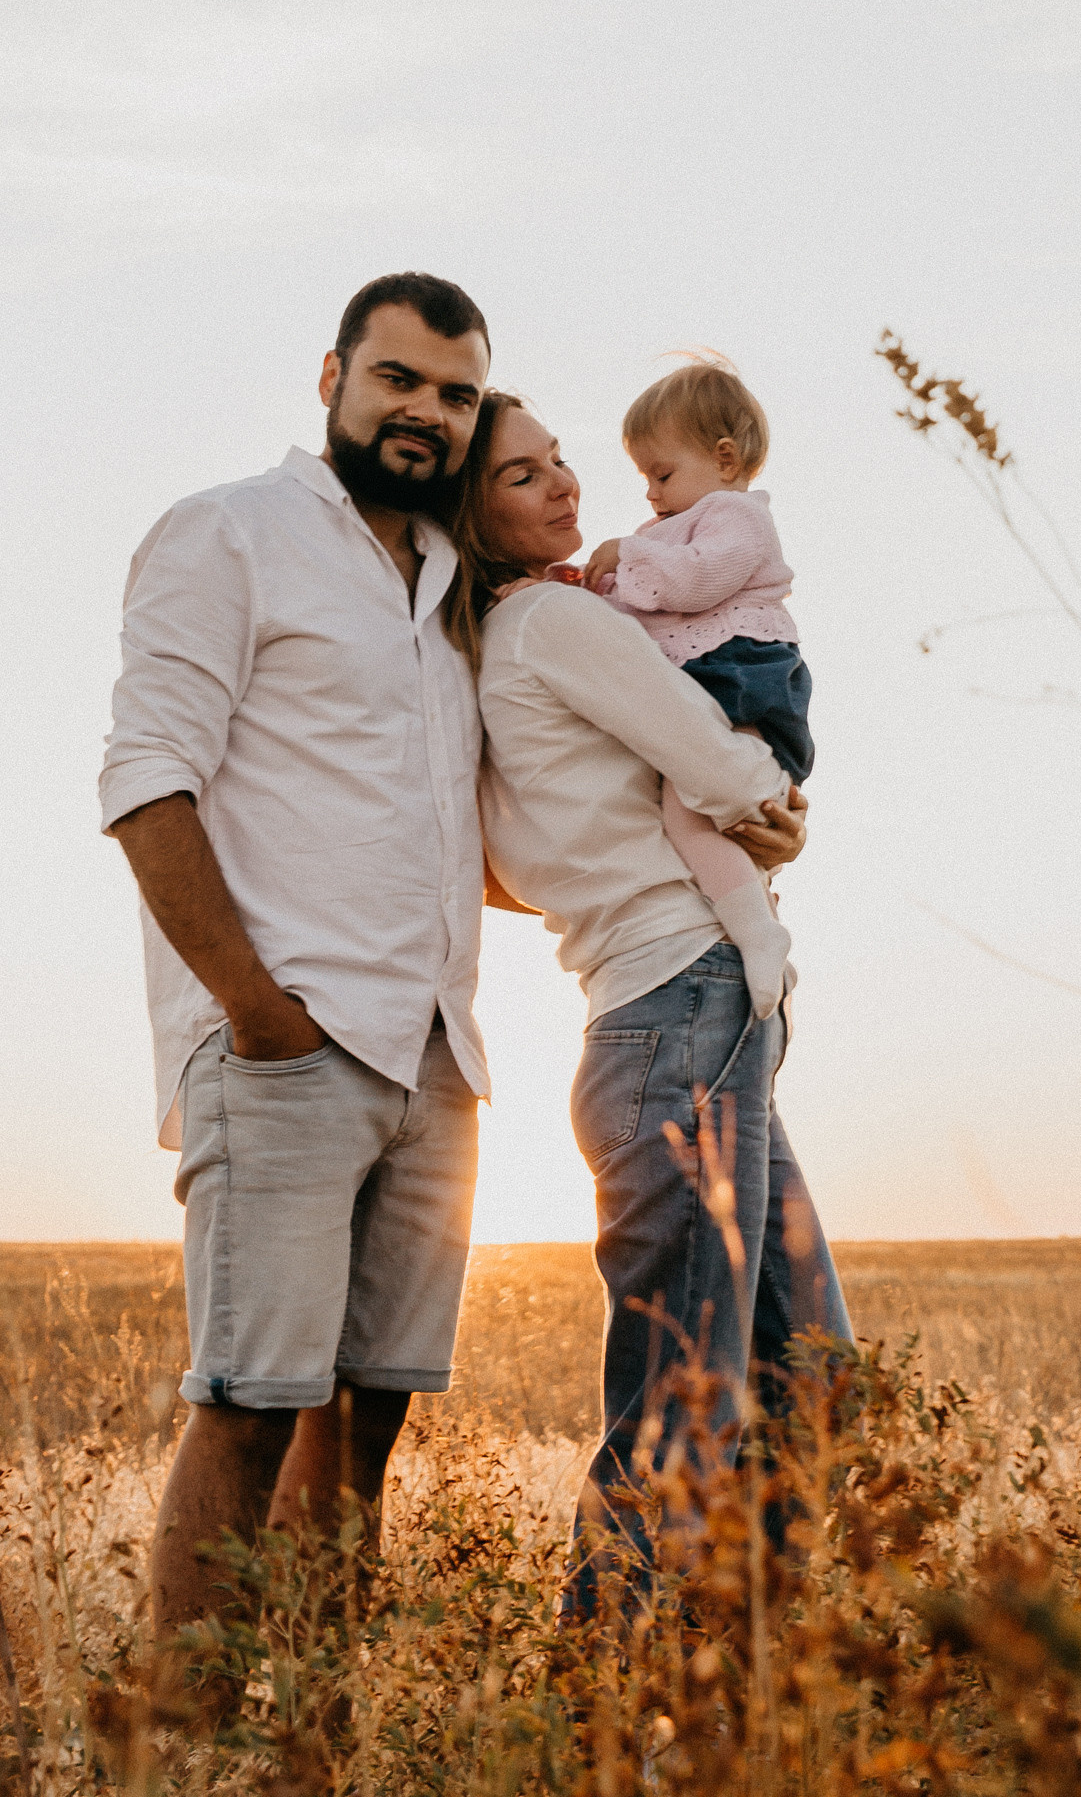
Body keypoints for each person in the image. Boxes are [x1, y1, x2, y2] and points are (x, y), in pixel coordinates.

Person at [101, 272, 493, 1635]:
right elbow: (148, 784)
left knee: (361, 1443)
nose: (425, 414)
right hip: (288, 1050)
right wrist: (257, 1014)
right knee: (251, 1416)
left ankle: (322, 1796)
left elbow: (451, 825)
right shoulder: (232, 535)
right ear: (330, 377)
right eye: (398, 379)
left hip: (435, 1059)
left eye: (454, 395)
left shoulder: (451, 585)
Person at [448, 392, 852, 1616]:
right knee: (687, 1416)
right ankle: (608, 1712)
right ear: (471, 513)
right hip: (675, 1010)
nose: (565, 484)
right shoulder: (556, 619)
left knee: (810, 1382)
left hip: (686, 1019)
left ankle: (744, 1689)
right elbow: (719, 755)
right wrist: (768, 802)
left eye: (561, 460)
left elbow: (510, 861)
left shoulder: (497, 649)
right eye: (523, 476)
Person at [584, 356, 811, 1021]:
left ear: (723, 458)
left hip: (742, 670)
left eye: (661, 473)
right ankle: (754, 917)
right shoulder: (673, 529)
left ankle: (757, 931)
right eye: (643, 478)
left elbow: (693, 582)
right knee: (703, 804)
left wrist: (626, 553)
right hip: (711, 671)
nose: (651, 493)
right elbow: (641, 614)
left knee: (698, 802)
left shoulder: (734, 517)